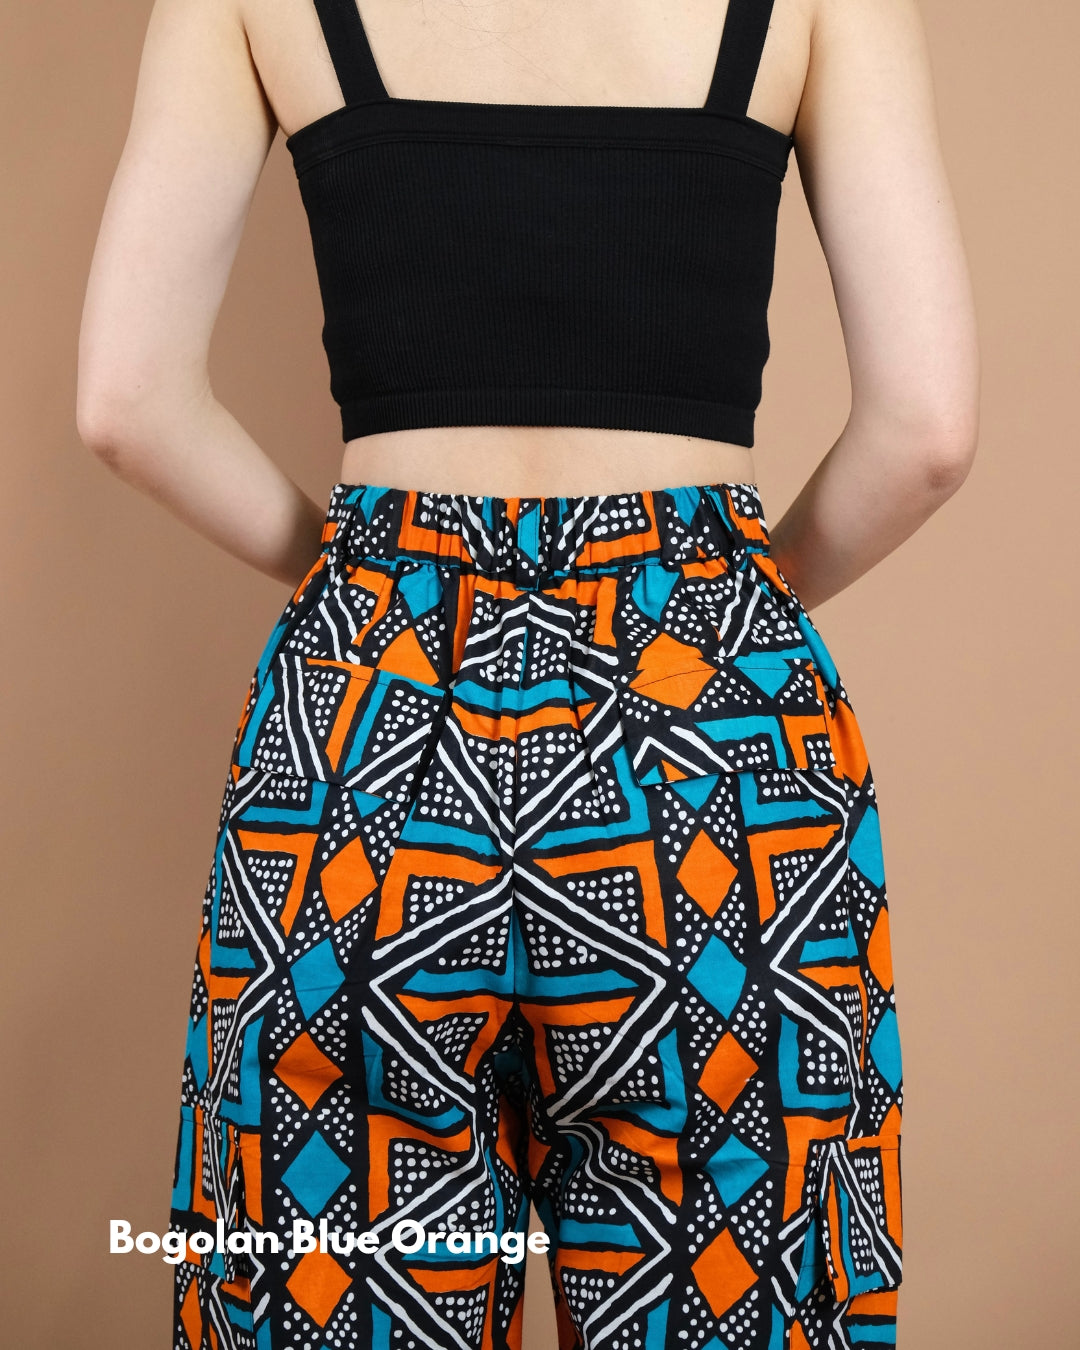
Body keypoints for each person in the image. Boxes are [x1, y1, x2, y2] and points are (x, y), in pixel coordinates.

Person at [77, 0, 979, 1345]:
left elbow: (126, 401)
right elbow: (927, 431)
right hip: (713, 753)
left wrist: (364, 587)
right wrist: (731, 605)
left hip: (366, 738)